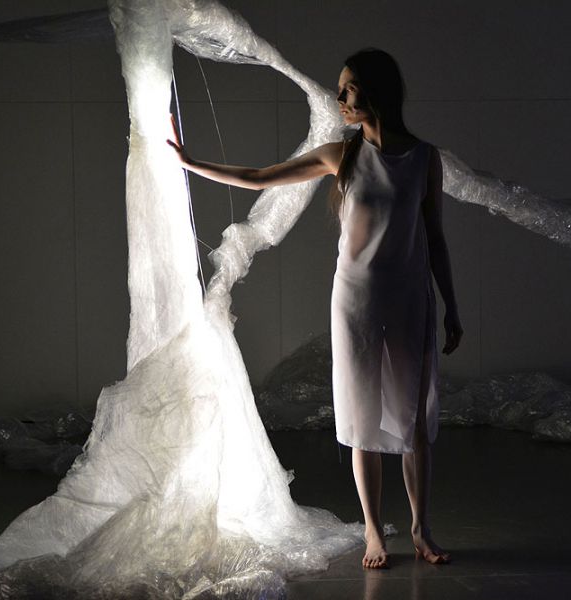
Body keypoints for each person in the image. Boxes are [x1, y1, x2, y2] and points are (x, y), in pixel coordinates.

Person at [166, 48, 462, 570]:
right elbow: (260, 175)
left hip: (410, 297)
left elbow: (434, 237)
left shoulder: (423, 159)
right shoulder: (341, 156)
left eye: (349, 87)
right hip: (356, 302)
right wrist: (191, 163)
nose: (340, 97)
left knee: (413, 419)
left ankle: (421, 528)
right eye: (340, 87)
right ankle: (374, 532)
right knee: (363, 417)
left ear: (376, 91)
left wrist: (451, 306)